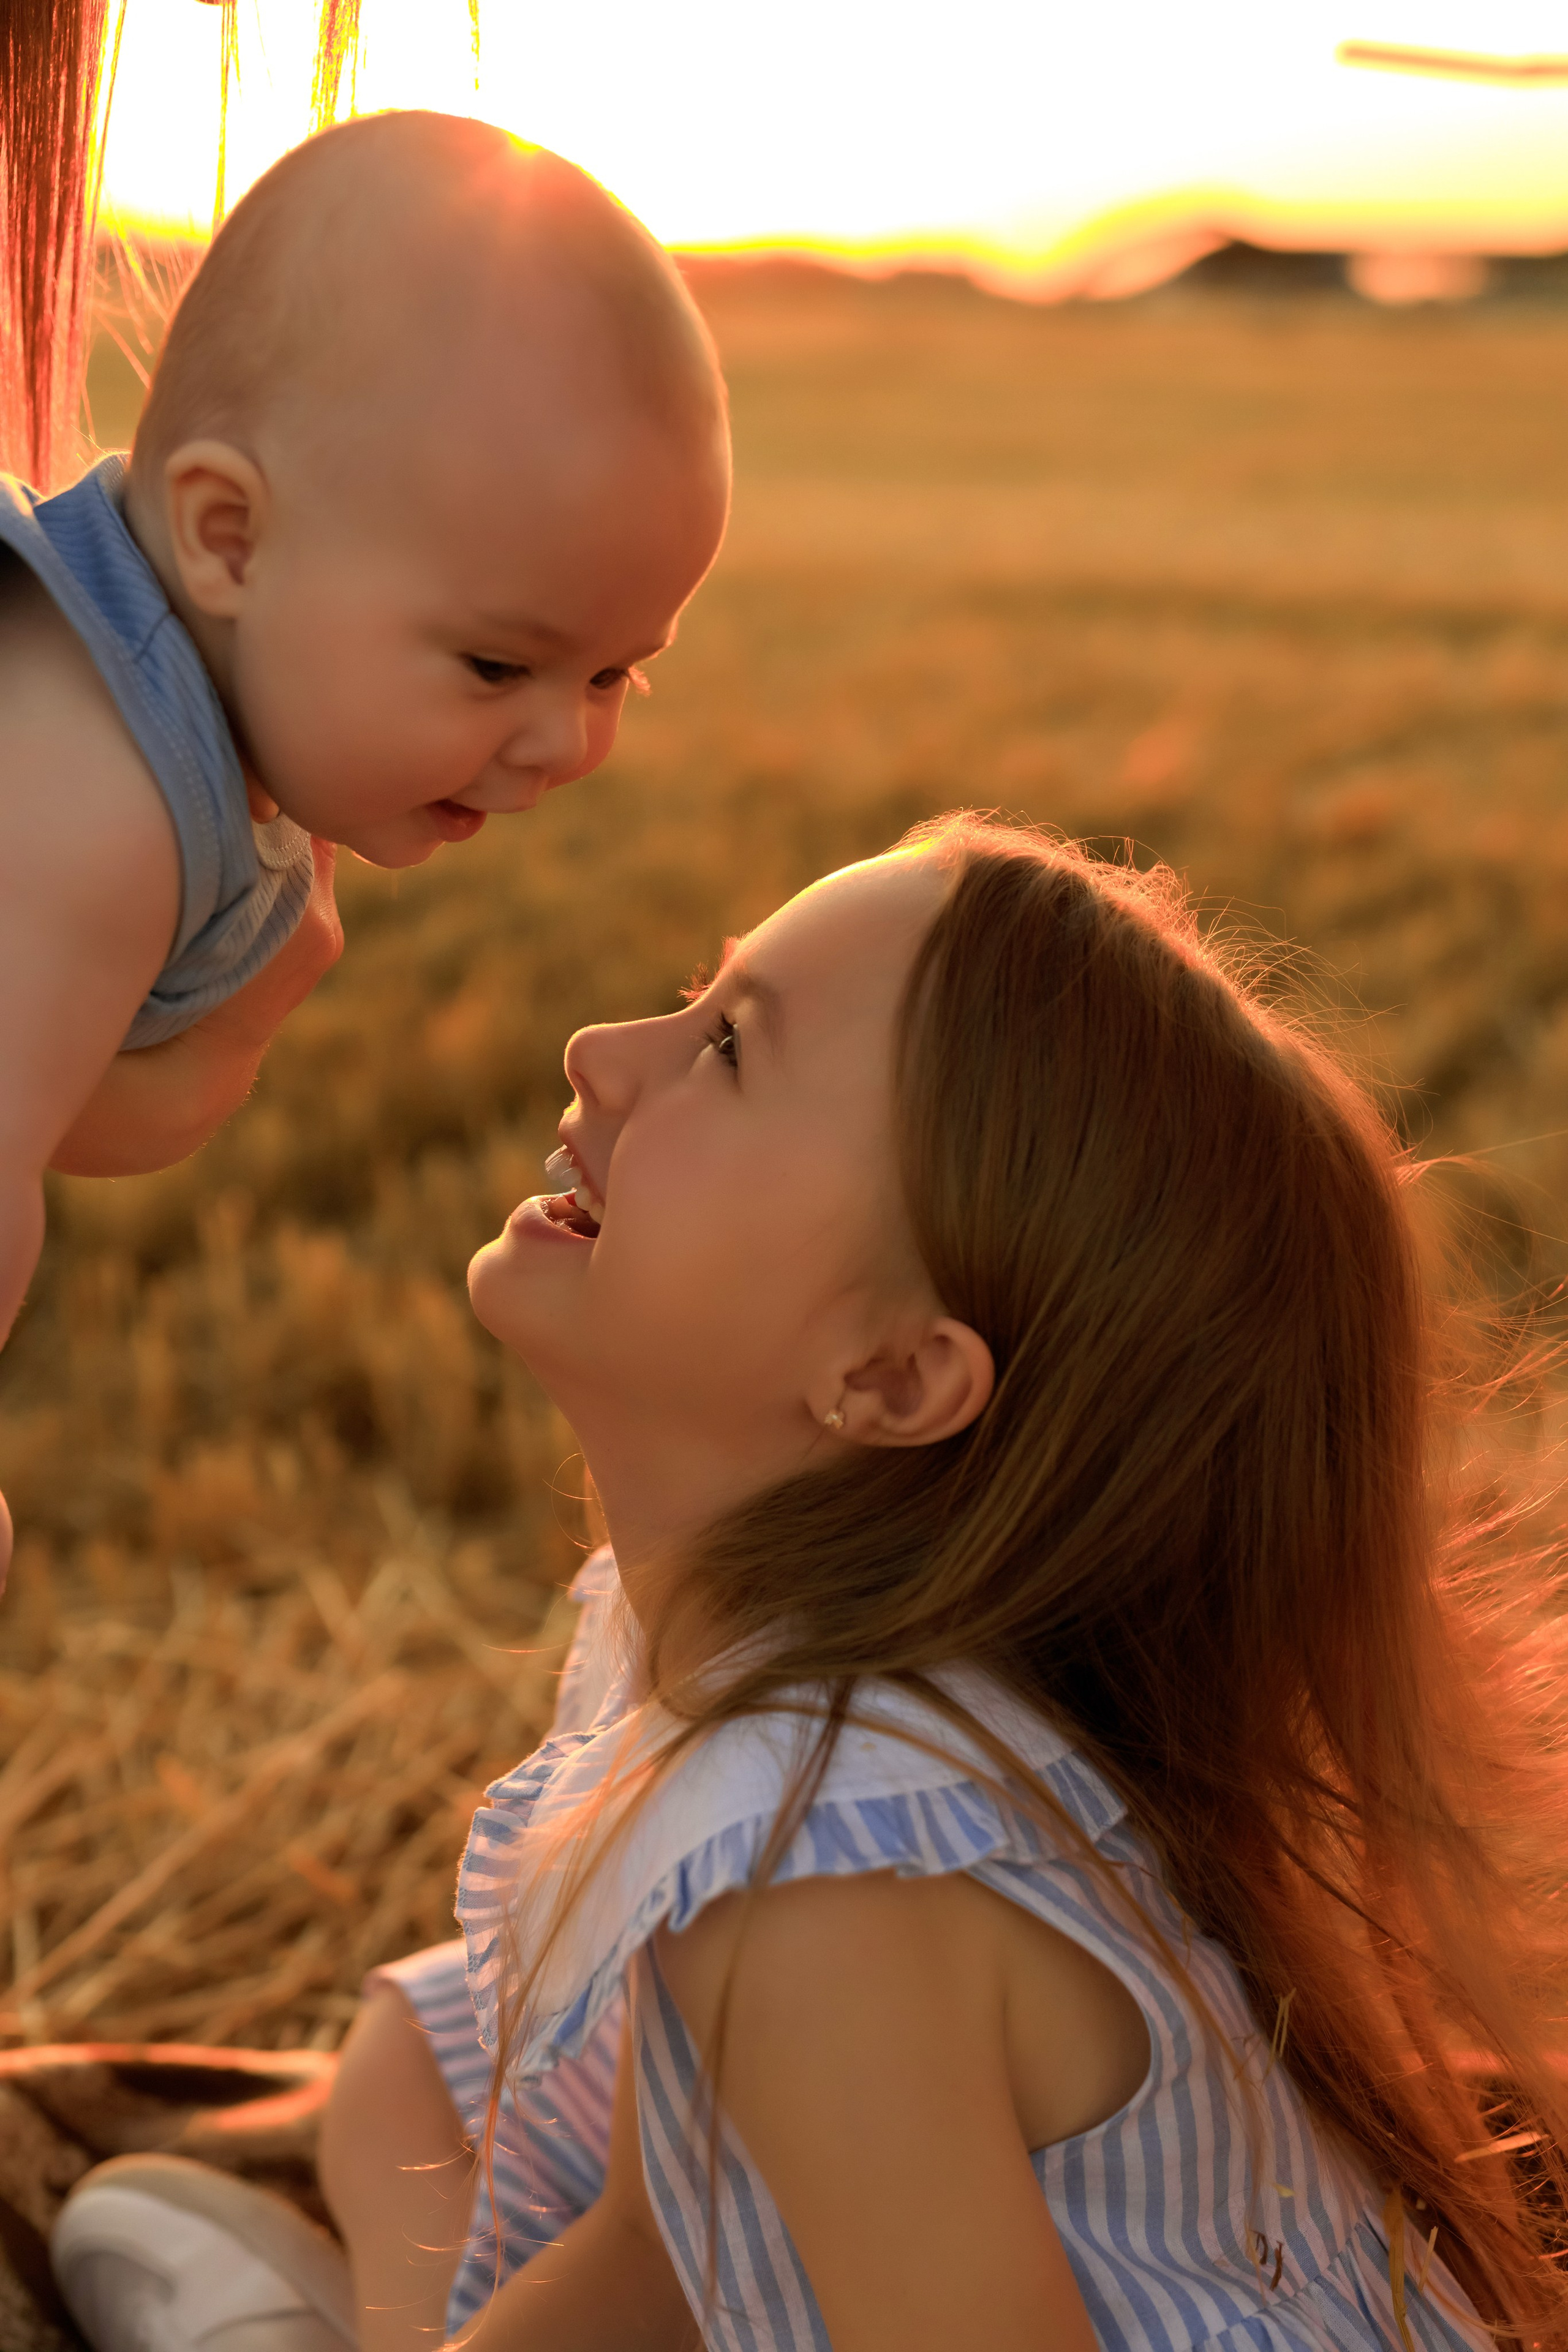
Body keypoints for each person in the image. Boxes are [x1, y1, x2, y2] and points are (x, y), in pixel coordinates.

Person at [51, 816, 1568, 2352]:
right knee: (410, 2054)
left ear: (895, 1376)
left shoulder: (817, 1883)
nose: (597, 1047)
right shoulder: (793, 1726)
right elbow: (664, 2234)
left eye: (725, 1049)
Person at [0, 107, 732, 1586]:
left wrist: (233, 1011)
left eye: (611, 674)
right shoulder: (86, 791)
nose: (567, 744)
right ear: (229, 539)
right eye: (493, 668)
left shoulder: (174, 738)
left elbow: (81, 1108)